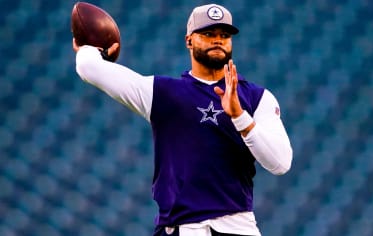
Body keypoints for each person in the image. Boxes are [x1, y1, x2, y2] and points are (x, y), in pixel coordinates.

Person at [73, 3, 293, 236]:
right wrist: (92, 49)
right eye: (208, 34)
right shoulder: (163, 93)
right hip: (181, 229)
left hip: (237, 226)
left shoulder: (256, 98)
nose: (217, 40)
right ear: (189, 40)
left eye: (224, 35)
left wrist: (240, 116)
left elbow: (280, 163)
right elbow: (88, 67)